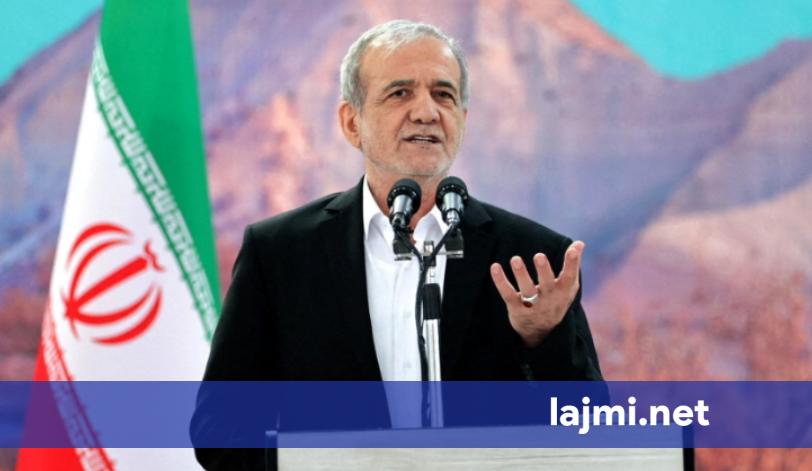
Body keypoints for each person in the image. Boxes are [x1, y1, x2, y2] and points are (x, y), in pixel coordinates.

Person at [193, 20, 602, 470]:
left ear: (462, 121)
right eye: (400, 93)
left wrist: (544, 340)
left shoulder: (532, 258)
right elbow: (220, 432)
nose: (426, 112)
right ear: (352, 122)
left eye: (443, 94)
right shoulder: (281, 254)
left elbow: (589, 431)